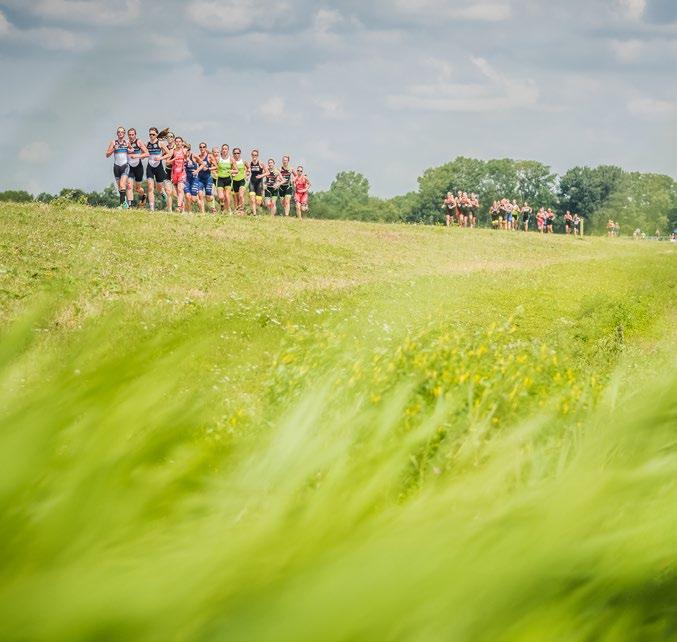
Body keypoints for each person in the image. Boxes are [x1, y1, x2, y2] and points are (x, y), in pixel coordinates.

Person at [145, 126, 170, 212]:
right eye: (150, 134)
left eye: (153, 134)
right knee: (150, 187)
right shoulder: (147, 144)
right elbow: (143, 153)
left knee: (159, 188)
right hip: (150, 167)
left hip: (158, 167)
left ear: (156, 135)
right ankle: (152, 208)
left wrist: (160, 158)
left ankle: (163, 194)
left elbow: (169, 154)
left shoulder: (160, 143)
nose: (151, 136)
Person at [105, 126, 131, 208]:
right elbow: (107, 155)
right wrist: (113, 149)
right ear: (117, 134)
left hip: (125, 166)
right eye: (119, 132)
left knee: (122, 185)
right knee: (120, 187)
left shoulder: (127, 142)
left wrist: (129, 149)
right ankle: (125, 203)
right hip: (116, 167)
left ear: (124, 134)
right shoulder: (113, 142)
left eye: (122, 132)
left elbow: (133, 150)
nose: (120, 133)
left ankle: (121, 205)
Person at [163, 135, 187, 212]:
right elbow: (167, 162)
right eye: (167, 137)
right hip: (171, 172)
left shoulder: (184, 150)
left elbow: (187, 158)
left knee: (179, 190)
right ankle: (171, 210)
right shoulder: (169, 149)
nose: (178, 143)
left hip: (180, 172)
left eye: (179, 141)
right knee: (171, 193)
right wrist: (174, 159)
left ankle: (180, 207)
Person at [126, 128, 148, 208]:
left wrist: (137, 156)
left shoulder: (138, 142)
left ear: (135, 135)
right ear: (128, 135)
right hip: (129, 167)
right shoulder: (126, 143)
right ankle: (130, 206)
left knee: (138, 189)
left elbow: (147, 154)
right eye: (130, 135)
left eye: (133, 134)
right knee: (129, 186)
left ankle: (143, 195)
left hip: (138, 168)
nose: (131, 136)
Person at [195, 142, 216, 214]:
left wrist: (208, 169)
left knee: (208, 197)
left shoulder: (210, 156)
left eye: (203, 147)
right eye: (200, 147)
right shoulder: (198, 157)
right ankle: (202, 213)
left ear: (206, 148)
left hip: (208, 179)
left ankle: (213, 205)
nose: (202, 148)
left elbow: (216, 166)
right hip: (200, 179)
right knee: (200, 195)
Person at [215, 144, 233, 214]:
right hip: (220, 179)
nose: (224, 150)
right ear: (221, 150)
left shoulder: (231, 159)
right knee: (221, 197)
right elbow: (215, 167)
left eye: (226, 149)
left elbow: (236, 170)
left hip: (228, 179)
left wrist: (232, 171)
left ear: (228, 150)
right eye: (223, 149)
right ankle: (222, 205)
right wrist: (215, 172)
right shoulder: (218, 159)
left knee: (227, 196)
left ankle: (228, 210)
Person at [230, 148, 248, 214]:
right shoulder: (231, 162)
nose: (236, 154)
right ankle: (236, 211)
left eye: (238, 153)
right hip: (234, 181)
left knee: (241, 195)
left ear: (240, 154)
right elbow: (228, 170)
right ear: (233, 154)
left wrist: (246, 173)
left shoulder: (243, 161)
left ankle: (242, 210)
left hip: (242, 180)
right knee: (236, 198)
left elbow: (248, 169)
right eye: (235, 153)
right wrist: (232, 173)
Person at [248, 149, 265, 216]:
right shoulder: (250, 163)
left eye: (255, 155)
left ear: (257, 156)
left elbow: (267, 172)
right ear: (251, 155)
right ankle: (254, 214)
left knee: (258, 202)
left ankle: (260, 203)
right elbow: (249, 171)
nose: (254, 156)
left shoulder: (261, 163)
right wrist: (247, 173)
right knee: (252, 199)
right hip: (252, 182)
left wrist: (261, 175)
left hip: (259, 184)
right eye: (253, 155)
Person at [183, 143, 199, 212]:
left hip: (194, 179)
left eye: (187, 150)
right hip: (186, 179)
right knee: (187, 196)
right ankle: (189, 212)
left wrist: (197, 170)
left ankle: (197, 199)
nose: (186, 152)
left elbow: (203, 164)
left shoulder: (194, 156)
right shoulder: (182, 157)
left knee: (193, 199)